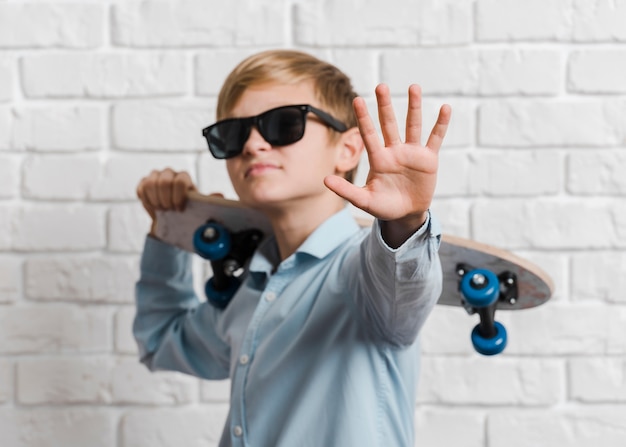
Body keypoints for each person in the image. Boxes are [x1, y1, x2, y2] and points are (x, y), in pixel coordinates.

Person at [134, 49, 451, 447]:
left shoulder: (362, 277)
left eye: (283, 124)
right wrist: (171, 230)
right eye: (233, 133)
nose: (252, 144)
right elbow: (160, 341)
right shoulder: (248, 292)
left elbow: (401, 283)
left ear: (349, 150)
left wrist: (405, 221)